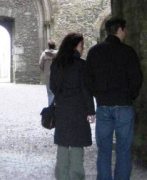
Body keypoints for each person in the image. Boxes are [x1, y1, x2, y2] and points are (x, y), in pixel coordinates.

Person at [85, 17, 143, 180]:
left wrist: (98, 95)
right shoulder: (128, 52)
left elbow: (88, 79)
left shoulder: (94, 51)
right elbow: (137, 78)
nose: (126, 33)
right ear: (120, 30)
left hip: (103, 106)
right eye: (125, 30)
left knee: (104, 150)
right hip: (124, 106)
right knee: (124, 149)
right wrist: (130, 96)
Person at [50, 32, 95, 180]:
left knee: (63, 144)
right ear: (75, 46)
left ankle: (62, 176)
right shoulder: (82, 65)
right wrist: (90, 111)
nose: (83, 48)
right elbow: (86, 90)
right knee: (76, 144)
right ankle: (75, 177)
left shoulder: (56, 64)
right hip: (78, 110)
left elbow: (53, 86)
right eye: (82, 45)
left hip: (62, 108)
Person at [39, 40, 58, 105]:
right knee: (57, 92)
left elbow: (40, 64)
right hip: (57, 76)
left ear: (48, 46)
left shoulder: (44, 54)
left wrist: (45, 71)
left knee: (49, 93)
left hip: (48, 76)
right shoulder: (58, 54)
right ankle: (56, 107)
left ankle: (50, 107)